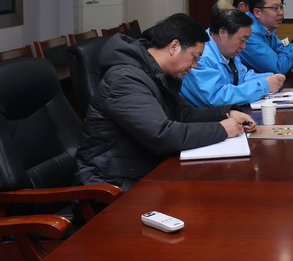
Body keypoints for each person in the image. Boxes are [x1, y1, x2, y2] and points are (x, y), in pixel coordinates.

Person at [74, 13, 256, 190]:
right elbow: (162, 135)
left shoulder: (158, 74)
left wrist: (227, 113)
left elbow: (183, 114)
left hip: (143, 169)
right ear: (174, 47)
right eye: (195, 57)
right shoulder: (125, 80)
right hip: (112, 183)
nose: (195, 66)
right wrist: (221, 129)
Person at [181, 9, 286, 107]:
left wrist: (269, 78)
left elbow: (242, 76)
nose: (244, 46)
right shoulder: (201, 57)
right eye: (242, 40)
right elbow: (217, 98)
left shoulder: (226, 49)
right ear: (223, 33)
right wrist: (263, 85)